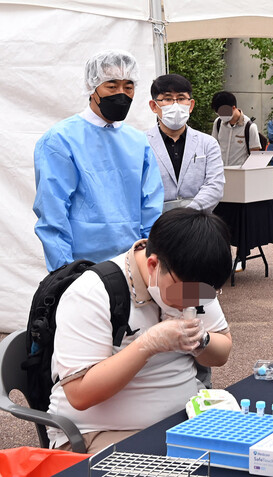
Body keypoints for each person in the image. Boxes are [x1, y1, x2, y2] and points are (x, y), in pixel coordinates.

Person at [49, 208, 233, 453]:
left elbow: (222, 353)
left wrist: (201, 339)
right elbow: (80, 394)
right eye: (185, 293)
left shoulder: (192, 283)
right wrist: (148, 345)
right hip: (101, 431)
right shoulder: (93, 292)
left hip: (184, 418)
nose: (192, 302)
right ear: (153, 264)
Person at [33, 49, 164, 272]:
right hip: (81, 264)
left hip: (132, 262)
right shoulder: (61, 139)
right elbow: (53, 211)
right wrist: (64, 271)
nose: (121, 94)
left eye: (128, 86)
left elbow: (151, 205)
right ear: (92, 88)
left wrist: (149, 256)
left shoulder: (137, 141)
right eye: (111, 86)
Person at [146, 74, 225, 212]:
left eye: (181, 98)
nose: (175, 104)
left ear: (191, 105)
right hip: (156, 224)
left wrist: (187, 214)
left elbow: (215, 186)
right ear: (154, 106)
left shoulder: (208, 143)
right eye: (168, 99)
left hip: (197, 222)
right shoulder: (142, 144)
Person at [210, 91, 261, 166]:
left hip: (240, 173)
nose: (221, 115)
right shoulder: (218, 123)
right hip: (220, 171)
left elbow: (255, 155)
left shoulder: (249, 127)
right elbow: (213, 147)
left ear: (233, 108)